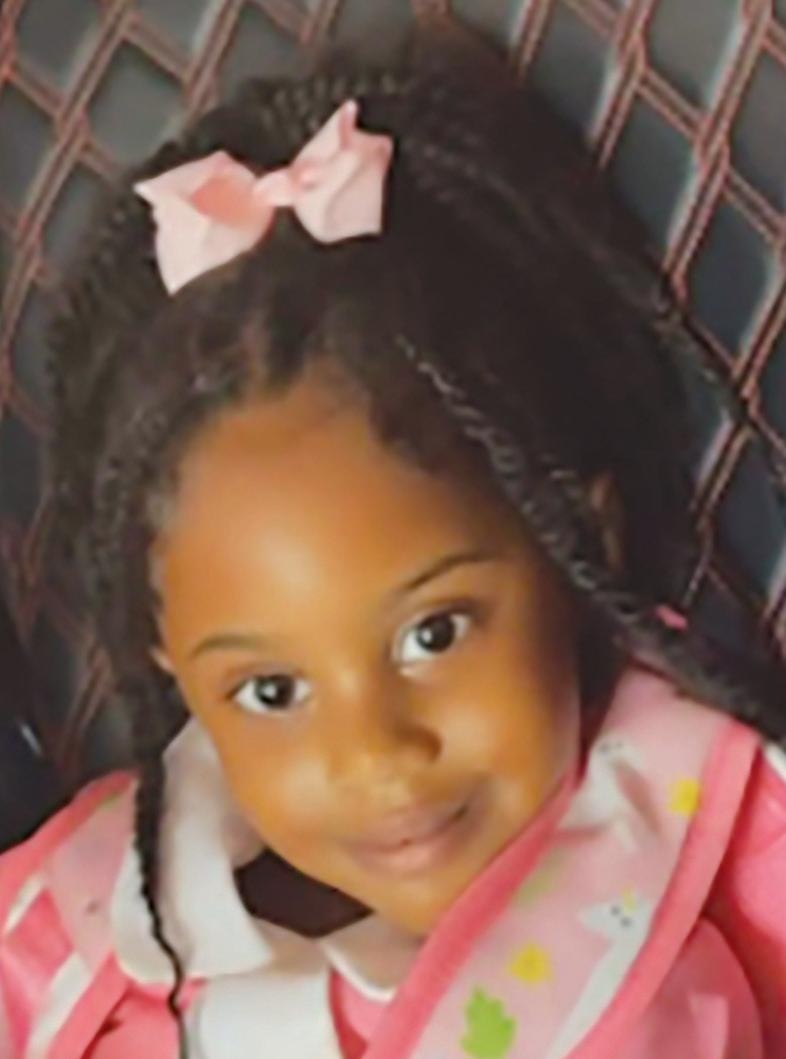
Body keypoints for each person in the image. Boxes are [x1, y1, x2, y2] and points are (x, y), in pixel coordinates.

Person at [2, 32, 786, 1059]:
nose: (374, 753)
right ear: (172, 664)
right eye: (271, 690)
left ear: (575, 537)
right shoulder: (66, 930)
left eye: (434, 633)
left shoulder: (734, 850)